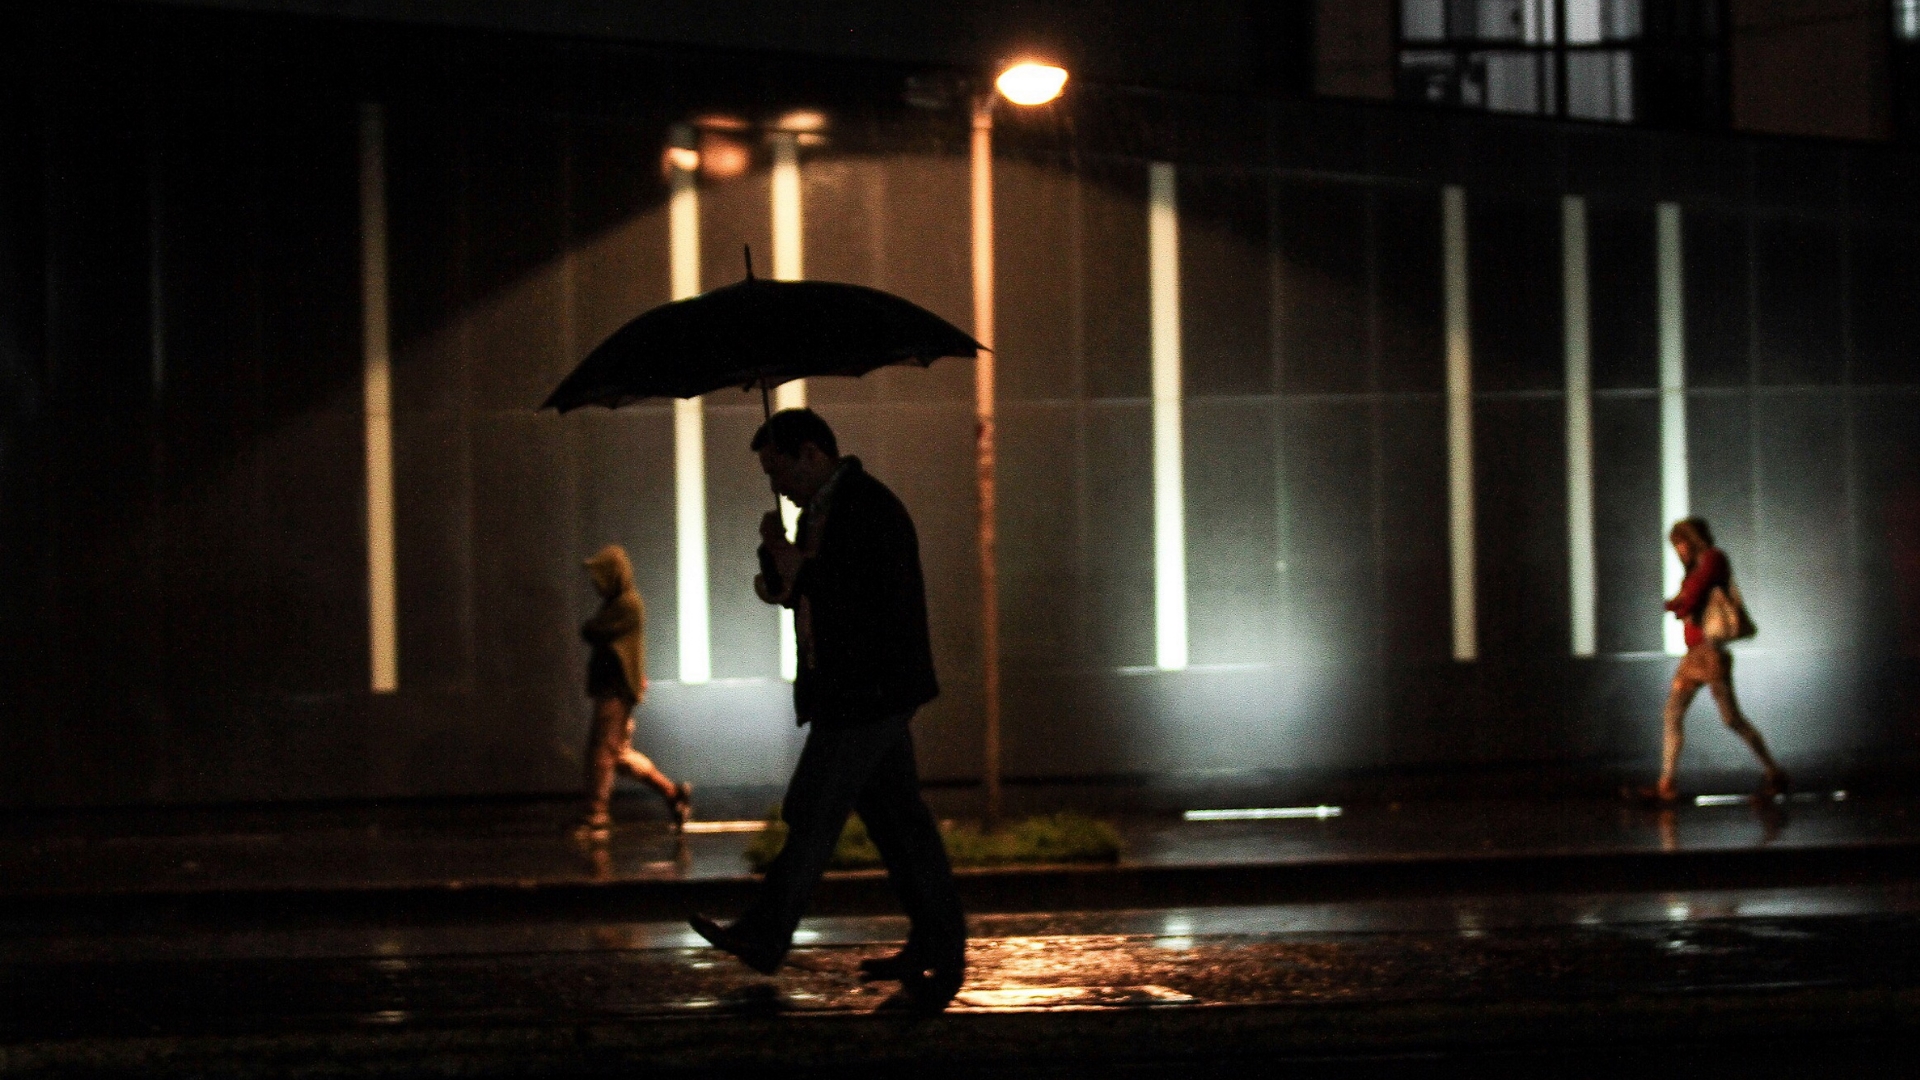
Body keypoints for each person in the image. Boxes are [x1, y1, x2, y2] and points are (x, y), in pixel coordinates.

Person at [688, 408, 966, 1009]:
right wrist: (776, 555)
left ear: (811, 454)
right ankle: (939, 943)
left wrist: (801, 566)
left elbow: (865, 591)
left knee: (814, 808)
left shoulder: (869, 506)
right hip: (854, 688)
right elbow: (800, 593)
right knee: (899, 824)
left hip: (869, 690)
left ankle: (765, 936)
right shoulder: (819, 511)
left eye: (777, 468)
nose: (774, 484)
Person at [1636, 517, 1789, 803]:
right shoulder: (1695, 568)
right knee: (1673, 714)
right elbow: (1683, 600)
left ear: (1693, 539)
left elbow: (1690, 599)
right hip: (1694, 656)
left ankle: (1775, 773)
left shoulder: (1713, 560)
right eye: (1676, 544)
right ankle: (1666, 784)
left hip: (1710, 654)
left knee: (1731, 719)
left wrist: (1679, 604)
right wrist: (1677, 603)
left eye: (1682, 542)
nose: (1679, 549)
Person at [575, 544, 691, 839]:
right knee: (619, 754)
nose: (596, 584)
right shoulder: (619, 604)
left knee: (603, 751)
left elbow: (593, 631)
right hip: (614, 688)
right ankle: (672, 793)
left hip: (616, 690)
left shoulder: (626, 605)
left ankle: (597, 815)